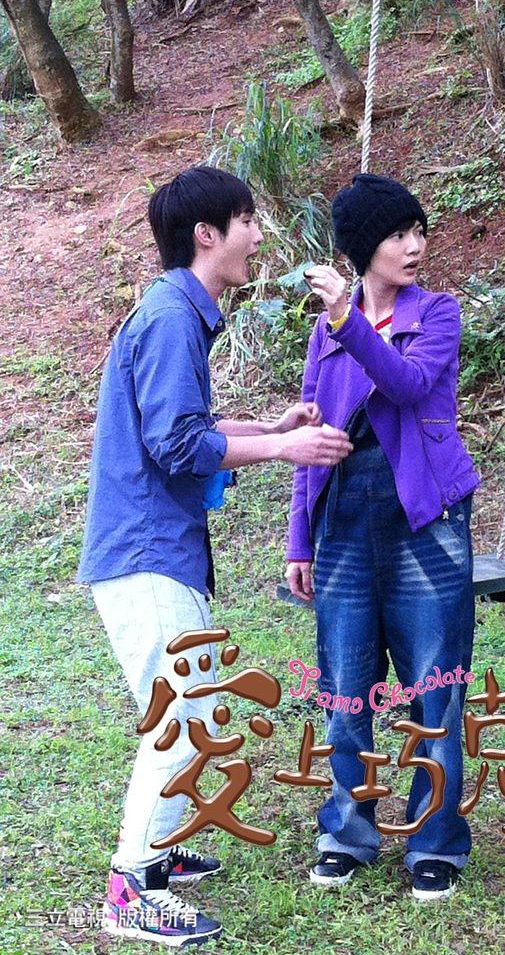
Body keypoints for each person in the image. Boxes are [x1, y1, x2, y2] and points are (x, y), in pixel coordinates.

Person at [77, 165, 352, 948]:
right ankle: (131, 889)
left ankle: (158, 852)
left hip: (157, 550)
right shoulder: (171, 317)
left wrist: (267, 428)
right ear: (207, 234)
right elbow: (174, 445)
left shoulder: (176, 312)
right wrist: (284, 450)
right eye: (247, 221)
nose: (258, 236)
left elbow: (183, 425)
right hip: (145, 552)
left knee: (187, 712)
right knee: (181, 719)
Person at [285, 173, 480, 901]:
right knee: (343, 685)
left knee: (435, 684)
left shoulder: (436, 313)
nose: (414, 245)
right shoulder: (326, 332)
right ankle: (347, 832)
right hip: (343, 517)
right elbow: (311, 438)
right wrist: (299, 539)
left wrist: (347, 318)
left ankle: (435, 840)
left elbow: (405, 384)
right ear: (364, 246)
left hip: (424, 517)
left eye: (418, 231)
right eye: (398, 234)